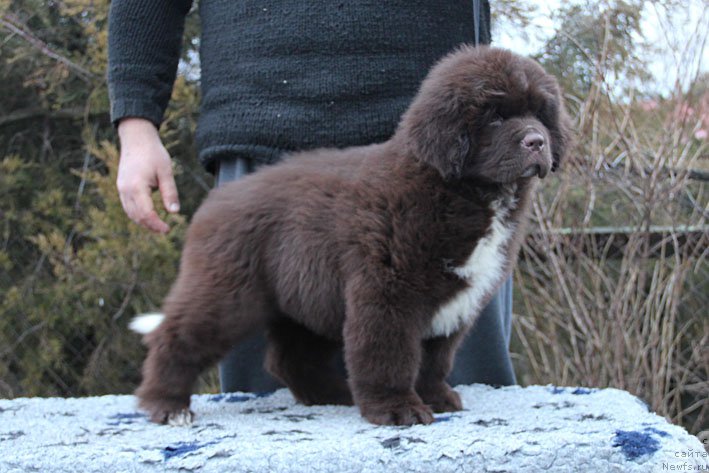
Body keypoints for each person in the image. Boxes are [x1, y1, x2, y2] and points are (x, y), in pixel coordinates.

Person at [108, 0, 515, 394]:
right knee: (271, 433)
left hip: (450, 159)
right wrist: (136, 122)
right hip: (266, 158)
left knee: (455, 419)